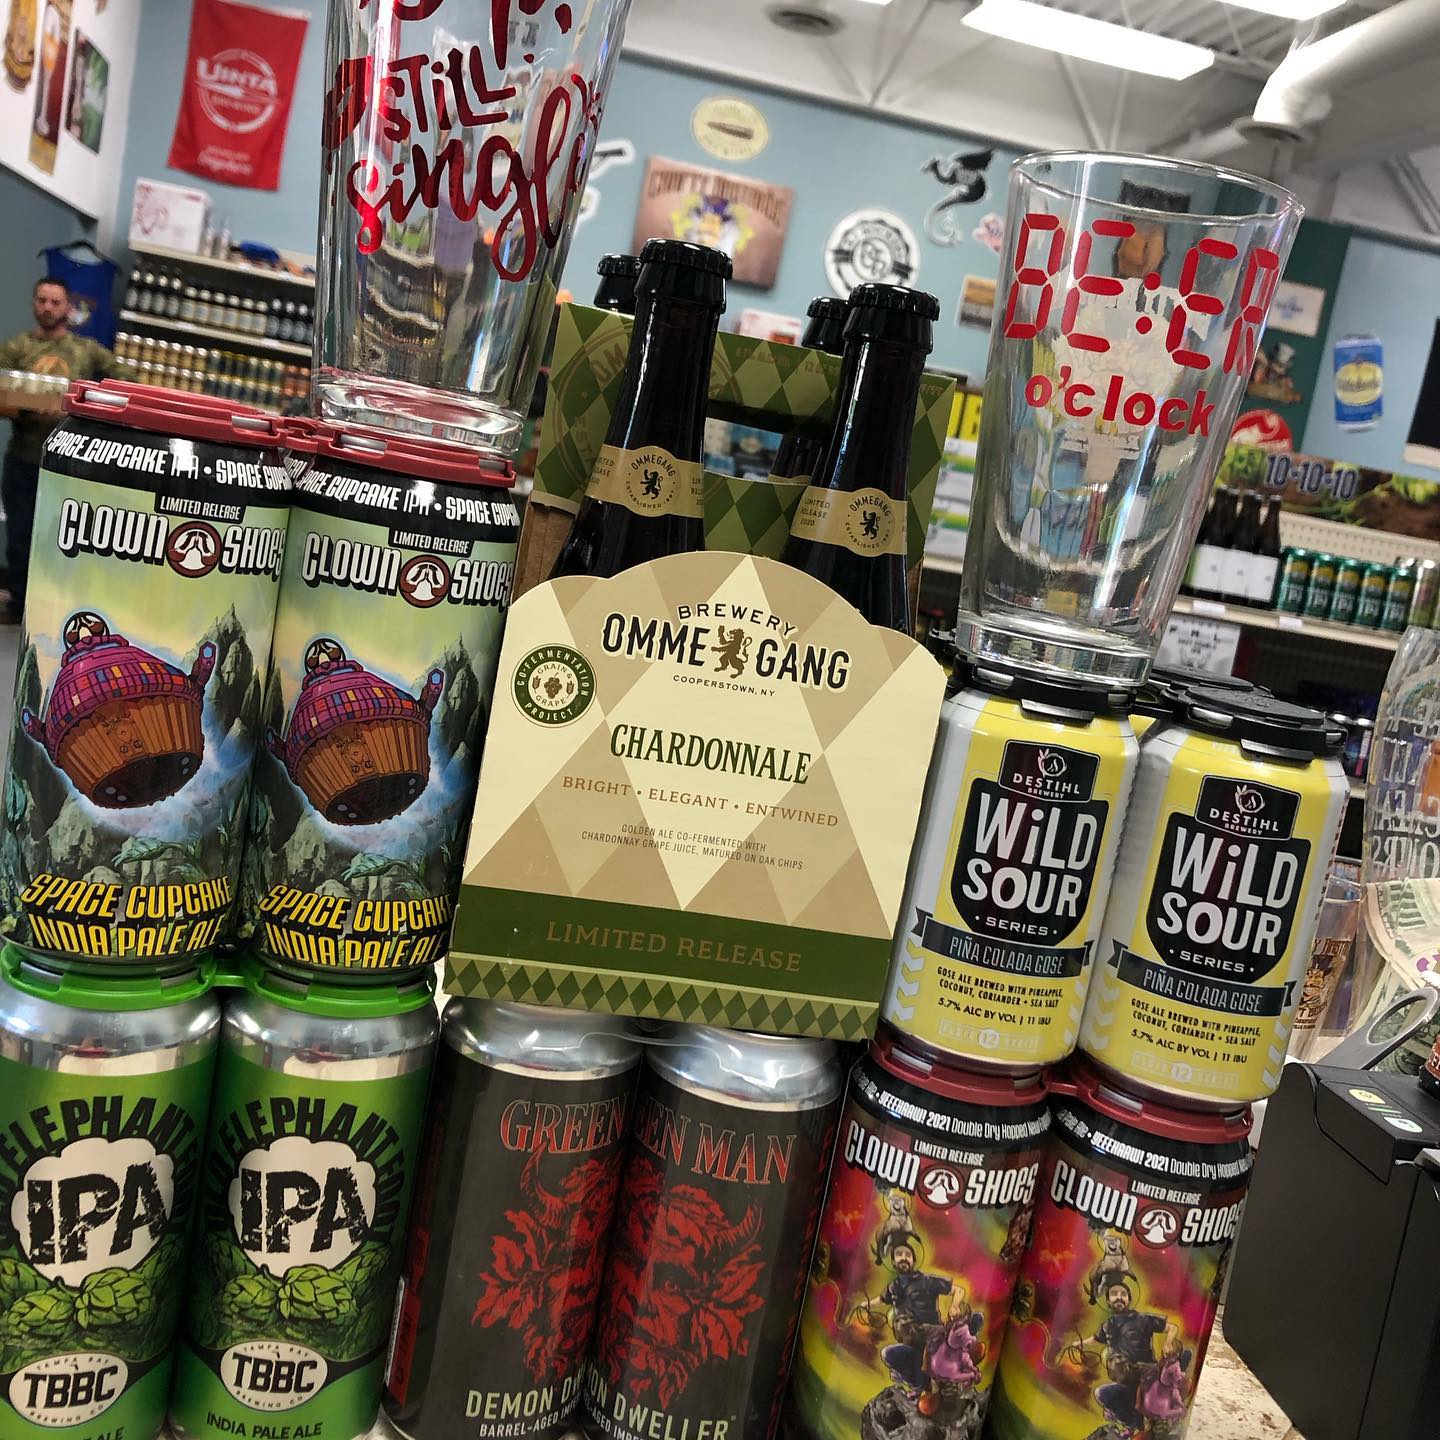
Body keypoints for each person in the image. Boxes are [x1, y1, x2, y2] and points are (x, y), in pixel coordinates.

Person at [0, 275, 123, 620]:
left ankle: (56, 608)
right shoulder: (16, 348)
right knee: (20, 536)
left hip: (71, 464)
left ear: (68, 307)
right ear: (33, 303)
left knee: (62, 538)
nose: (48, 308)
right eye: (42, 300)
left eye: (55, 302)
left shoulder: (88, 351)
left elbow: (124, 384)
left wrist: (78, 408)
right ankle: (19, 604)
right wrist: (27, 406)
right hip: (23, 458)